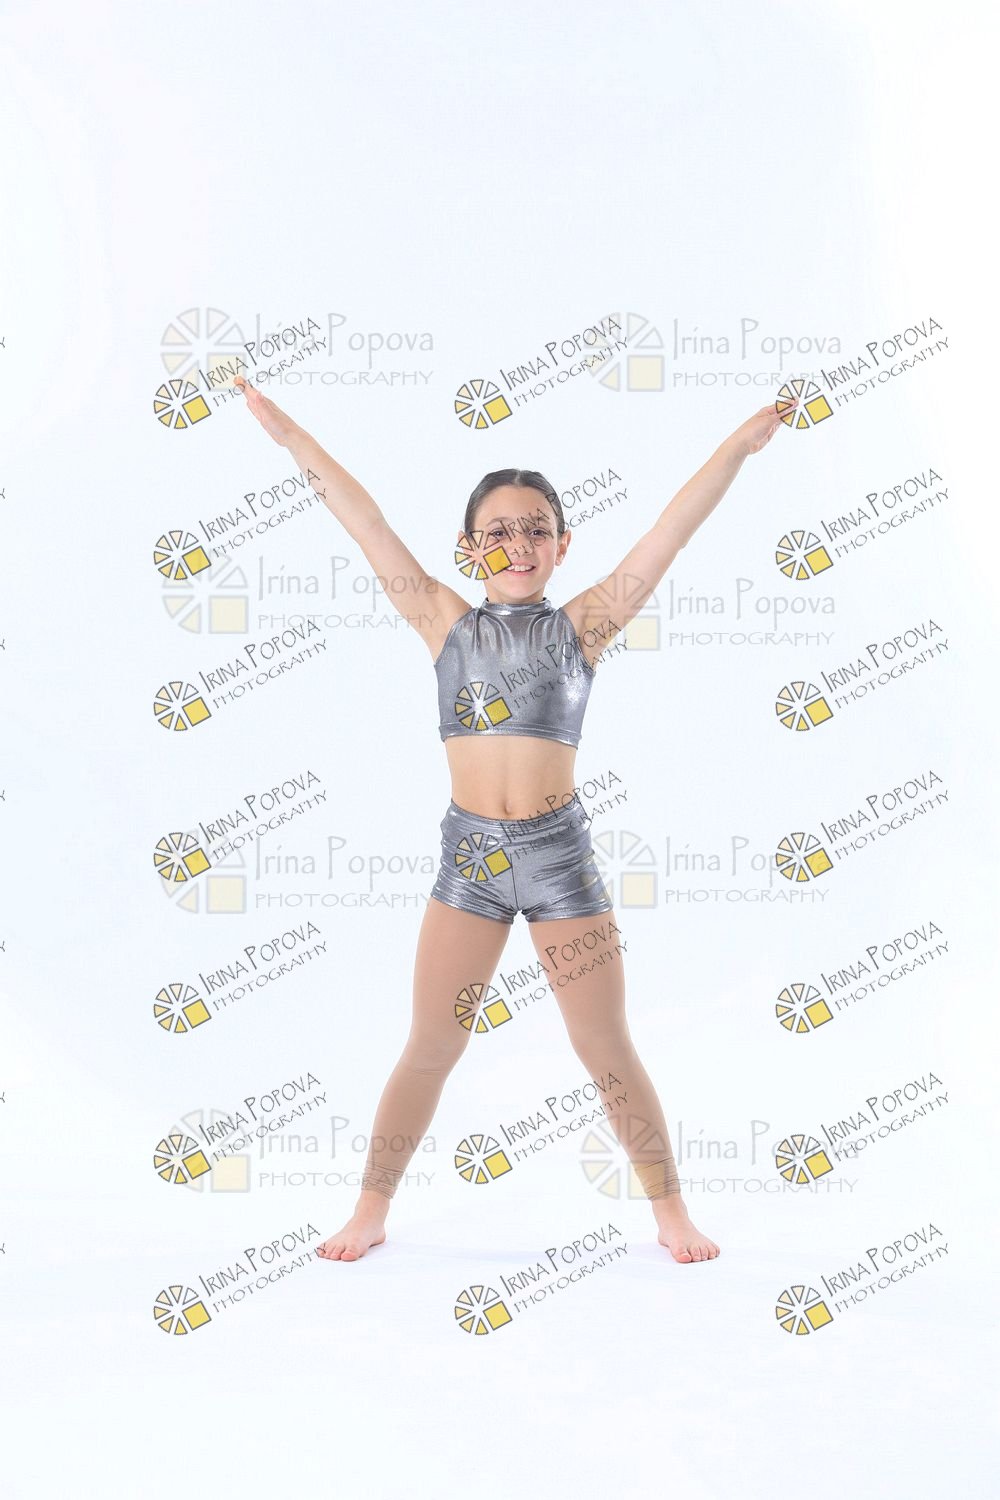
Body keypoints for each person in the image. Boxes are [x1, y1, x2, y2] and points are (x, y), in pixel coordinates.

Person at [236, 373, 795, 1264]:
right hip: (472, 862)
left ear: (562, 544)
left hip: (558, 857)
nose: (518, 543)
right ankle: (370, 1208)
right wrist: (290, 439)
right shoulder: (445, 625)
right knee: (431, 1043)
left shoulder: (583, 627)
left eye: (536, 528)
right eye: (497, 531)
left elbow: (669, 532)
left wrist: (737, 446)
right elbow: (365, 522)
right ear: (469, 548)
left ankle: (671, 1213)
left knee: (603, 1042)